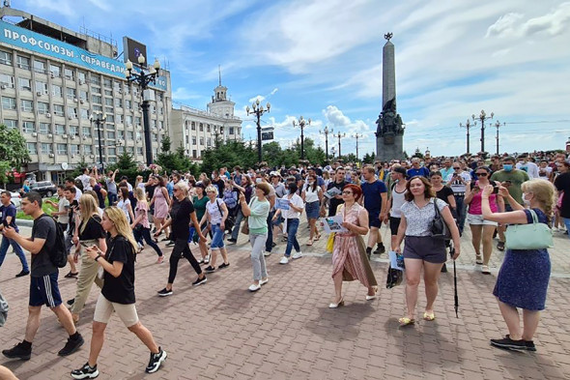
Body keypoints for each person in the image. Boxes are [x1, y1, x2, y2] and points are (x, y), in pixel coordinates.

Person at [70, 207, 167, 378]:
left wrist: (97, 258)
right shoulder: (112, 238)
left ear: (114, 222)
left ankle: (157, 352)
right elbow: (111, 258)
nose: (101, 222)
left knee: (134, 327)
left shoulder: (122, 242)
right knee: (97, 327)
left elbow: (116, 270)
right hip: (108, 291)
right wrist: (99, 253)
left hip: (121, 292)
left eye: (105, 219)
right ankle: (91, 367)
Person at [2, 191, 84, 361]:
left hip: (45, 272)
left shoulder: (43, 222)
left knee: (56, 305)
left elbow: (35, 248)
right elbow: (34, 240)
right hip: (39, 272)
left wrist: (14, 236)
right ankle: (26, 346)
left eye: (25, 204)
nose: (22, 207)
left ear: (35, 204)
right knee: (34, 309)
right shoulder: (41, 221)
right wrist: (14, 236)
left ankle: (75, 338)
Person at [480, 180, 554, 351]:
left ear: (533, 195)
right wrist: (509, 197)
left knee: (504, 296)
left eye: (526, 192)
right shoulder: (541, 212)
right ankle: (527, 339)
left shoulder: (528, 214)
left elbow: (489, 216)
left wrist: (485, 197)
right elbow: (524, 212)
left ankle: (514, 336)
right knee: (532, 302)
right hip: (539, 259)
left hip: (520, 260)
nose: (525, 195)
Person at [392, 177, 461, 326]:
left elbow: (452, 225)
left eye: (418, 184)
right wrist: (397, 243)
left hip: (434, 245)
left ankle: (429, 307)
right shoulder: (406, 206)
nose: (415, 187)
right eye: (412, 186)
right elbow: (402, 227)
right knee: (411, 280)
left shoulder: (438, 204)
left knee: (430, 280)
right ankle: (410, 313)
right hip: (412, 245)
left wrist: (457, 245)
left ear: (425, 186)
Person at [329, 184, 378, 308]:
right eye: (344, 192)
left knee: (360, 267)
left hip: (353, 242)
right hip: (339, 242)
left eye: (348, 193)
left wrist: (350, 226)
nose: (344, 194)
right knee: (337, 268)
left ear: (355, 195)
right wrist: (328, 225)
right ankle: (338, 296)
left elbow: (365, 230)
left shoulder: (361, 210)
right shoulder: (340, 207)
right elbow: (335, 224)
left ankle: (370, 288)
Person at [156, 183, 207, 297]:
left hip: (183, 235)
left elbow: (195, 221)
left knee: (173, 259)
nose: (173, 191)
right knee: (189, 255)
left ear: (182, 191)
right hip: (176, 234)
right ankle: (201, 276)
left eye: (175, 190)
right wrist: (161, 229)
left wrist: (201, 236)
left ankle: (169, 287)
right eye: (173, 190)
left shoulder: (187, 204)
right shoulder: (175, 202)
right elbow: (172, 218)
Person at [69, 194, 107, 323]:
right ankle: (115, 296)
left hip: (92, 254)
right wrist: (77, 250)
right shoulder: (86, 218)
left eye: (80, 203)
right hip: (87, 252)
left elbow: (102, 240)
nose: (78, 205)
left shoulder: (95, 219)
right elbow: (83, 238)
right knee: (96, 279)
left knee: (83, 284)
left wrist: (104, 256)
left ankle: (74, 313)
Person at [465, 166, 504, 274]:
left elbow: (500, 200)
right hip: (475, 213)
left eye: (483, 174)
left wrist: (503, 215)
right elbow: (466, 201)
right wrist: (473, 192)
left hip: (491, 213)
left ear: (488, 174)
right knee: (476, 238)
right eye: (478, 174)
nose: (481, 176)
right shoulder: (471, 184)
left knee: (487, 239)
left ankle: (486, 263)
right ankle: (478, 253)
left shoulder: (495, 184)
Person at [490, 156, 530, 251]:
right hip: (502, 202)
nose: (507, 165)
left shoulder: (522, 174)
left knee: (519, 222)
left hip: (518, 201)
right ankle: (502, 240)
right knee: (501, 223)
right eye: (505, 163)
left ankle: (517, 240)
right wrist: (501, 186)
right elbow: (490, 188)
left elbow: (528, 187)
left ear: (514, 163)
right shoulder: (497, 174)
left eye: (509, 163)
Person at [239, 182, 271, 292]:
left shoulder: (265, 204)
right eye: (256, 188)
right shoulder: (253, 199)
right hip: (252, 232)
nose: (256, 190)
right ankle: (265, 276)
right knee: (259, 255)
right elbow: (245, 212)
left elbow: (248, 212)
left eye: (259, 189)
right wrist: (244, 204)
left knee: (254, 256)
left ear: (264, 191)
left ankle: (256, 281)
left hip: (261, 232)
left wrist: (243, 202)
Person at [0, 191, 29, 277]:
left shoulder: (11, 208)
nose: (1, 199)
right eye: (1, 197)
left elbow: (7, 221)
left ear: (9, 197)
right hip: (6, 233)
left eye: (3, 197)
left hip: (12, 233)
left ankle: (26, 268)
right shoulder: (2, 208)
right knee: (2, 252)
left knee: (18, 251)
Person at [274, 182, 304, 265]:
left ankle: (286, 255)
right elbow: (280, 207)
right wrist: (276, 214)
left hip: (294, 219)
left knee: (290, 237)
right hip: (286, 219)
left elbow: (301, 210)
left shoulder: (298, 198)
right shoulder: (284, 197)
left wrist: (292, 205)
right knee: (292, 237)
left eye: (288, 188)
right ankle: (298, 251)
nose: (287, 189)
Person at [202, 185, 230, 273]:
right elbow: (206, 215)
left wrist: (223, 221)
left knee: (213, 245)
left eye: (209, 192)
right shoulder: (208, 203)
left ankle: (212, 265)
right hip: (213, 225)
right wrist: (200, 224)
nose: (208, 194)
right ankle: (226, 261)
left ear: (214, 193)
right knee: (220, 243)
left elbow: (226, 211)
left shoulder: (219, 201)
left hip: (219, 225)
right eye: (207, 192)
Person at [361, 166, 388, 257]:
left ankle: (368, 250)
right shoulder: (363, 185)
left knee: (373, 229)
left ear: (372, 173)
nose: (363, 175)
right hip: (367, 211)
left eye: (365, 173)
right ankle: (380, 246)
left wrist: (383, 212)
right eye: (363, 173)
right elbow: (361, 198)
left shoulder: (380, 184)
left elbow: (384, 199)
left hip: (377, 211)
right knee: (374, 229)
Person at [132, 188, 164, 263]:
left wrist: (133, 224)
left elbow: (142, 215)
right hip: (138, 225)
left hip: (143, 225)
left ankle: (160, 255)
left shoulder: (142, 203)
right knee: (134, 241)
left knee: (149, 241)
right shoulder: (138, 202)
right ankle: (132, 259)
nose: (133, 194)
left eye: (134, 193)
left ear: (137, 193)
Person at [445, 162, 472, 234]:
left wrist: (462, 180)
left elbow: (468, 185)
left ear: (461, 167)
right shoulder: (450, 175)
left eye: (457, 168)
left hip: (462, 194)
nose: (456, 170)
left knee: (462, 213)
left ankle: (460, 228)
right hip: (453, 195)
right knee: (454, 212)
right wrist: (452, 180)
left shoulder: (466, 175)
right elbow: (447, 186)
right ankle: (455, 227)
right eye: (454, 168)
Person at [385, 166, 407, 252]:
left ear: (399, 174)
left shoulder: (409, 185)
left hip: (405, 216)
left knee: (406, 238)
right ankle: (395, 259)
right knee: (394, 237)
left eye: (393, 174)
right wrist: (386, 213)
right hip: (394, 215)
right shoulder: (393, 185)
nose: (391, 176)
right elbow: (390, 200)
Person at [302, 174, 323, 246]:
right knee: (310, 222)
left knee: (313, 221)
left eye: (311, 179)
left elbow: (321, 198)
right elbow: (303, 198)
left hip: (315, 204)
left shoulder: (318, 188)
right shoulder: (306, 189)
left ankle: (310, 239)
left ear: (314, 180)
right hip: (308, 205)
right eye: (308, 179)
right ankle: (317, 233)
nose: (309, 181)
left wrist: (322, 207)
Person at [191, 182, 210, 263]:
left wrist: (209, 222)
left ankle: (207, 255)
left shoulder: (206, 199)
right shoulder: (195, 198)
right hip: (196, 221)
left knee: (201, 239)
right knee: (197, 239)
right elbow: (193, 209)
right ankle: (203, 256)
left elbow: (208, 211)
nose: (197, 189)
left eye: (199, 188)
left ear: (203, 189)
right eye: (196, 188)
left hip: (204, 221)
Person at [149, 176, 171, 242]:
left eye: (156, 180)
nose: (155, 181)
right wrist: (149, 205)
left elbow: (167, 198)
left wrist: (170, 206)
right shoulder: (156, 188)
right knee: (163, 221)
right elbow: (153, 198)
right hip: (157, 206)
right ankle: (167, 235)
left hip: (162, 206)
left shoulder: (163, 189)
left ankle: (156, 236)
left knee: (157, 221)